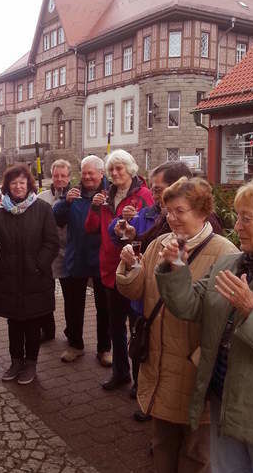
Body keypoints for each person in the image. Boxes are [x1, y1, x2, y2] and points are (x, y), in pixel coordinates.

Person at [117, 177, 238, 473]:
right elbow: (138, 290)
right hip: (159, 360)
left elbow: (225, 317)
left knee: (197, 452)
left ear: (202, 212)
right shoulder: (158, 244)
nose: (171, 217)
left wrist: (204, 357)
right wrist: (130, 266)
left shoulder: (225, 254)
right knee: (163, 443)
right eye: (167, 210)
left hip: (195, 366)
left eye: (180, 211)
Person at [155, 177, 253, 473]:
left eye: (247, 218)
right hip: (224, 401)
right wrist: (176, 268)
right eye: (237, 217)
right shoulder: (231, 264)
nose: (237, 226)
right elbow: (189, 305)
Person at [108, 160, 194, 409]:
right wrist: (129, 236)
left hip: (172, 306)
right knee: (143, 344)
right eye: (154, 190)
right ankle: (143, 391)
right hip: (148, 298)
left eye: (159, 190)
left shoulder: (193, 224)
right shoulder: (156, 215)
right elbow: (139, 241)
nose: (155, 195)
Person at [0, 163, 59, 384]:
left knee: (33, 322)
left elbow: (52, 243)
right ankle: (16, 361)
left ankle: (30, 364)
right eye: (13, 183)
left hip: (35, 276)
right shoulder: (0, 209)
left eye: (22, 183)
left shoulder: (42, 208)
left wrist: (38, 265)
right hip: (9, 275)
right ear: (7, 186)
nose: (18, 187)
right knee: (14, 322)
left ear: (29, 185)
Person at [85, 149, 153, 390]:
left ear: (130, 169)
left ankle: (139, 380)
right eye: (112, 169)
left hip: (132, 269)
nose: (115, 173)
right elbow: (91, 228)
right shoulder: (105, 196)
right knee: (116, 327)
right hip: (110, 270)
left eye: (119, 168)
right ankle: (120, 373)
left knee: (136, 328)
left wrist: (136, 220)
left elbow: (151, 232)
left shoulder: (144, 195)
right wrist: (94, 208)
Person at [53, 155, 112, 366]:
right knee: (73, 305)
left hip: (101, 258)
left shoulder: (110, 193)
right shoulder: (74, 194)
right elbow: (56, 218)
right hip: (76, 256)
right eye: (84, 173)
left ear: (101, 174)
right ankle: (75, 344)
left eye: (91, 173)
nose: (87, 177)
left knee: (104, 307)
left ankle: (105, 348)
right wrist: (66, 203)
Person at [37, 159, 71, 342]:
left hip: (68, 253)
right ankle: (47, 329)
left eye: (63, 176)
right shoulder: (42, 197)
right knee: (45, 293)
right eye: (56, 175)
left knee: (70, 297)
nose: (59, 179)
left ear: (69, 177)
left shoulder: (75, 196)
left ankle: (71, 330)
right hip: (48, 253)